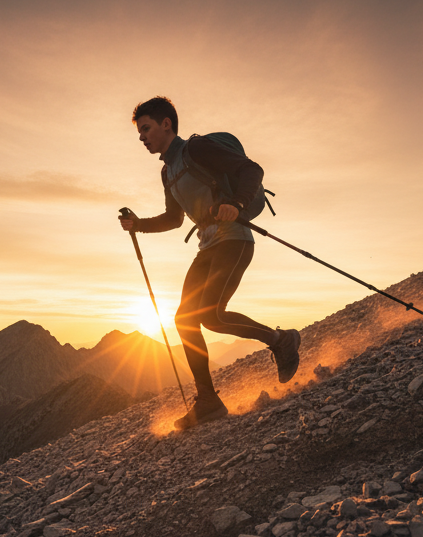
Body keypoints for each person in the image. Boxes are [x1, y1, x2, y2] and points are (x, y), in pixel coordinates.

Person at [120, 96, 301, 430]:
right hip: (208, 245)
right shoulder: (167, 172)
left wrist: (236, 202)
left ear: (166, 124)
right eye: (139, 133)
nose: (142, 137)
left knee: (212, 315)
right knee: (185, 319)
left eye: (146, 129)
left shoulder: (197, 149)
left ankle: (282, 341)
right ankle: (208, 402)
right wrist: (138, 224)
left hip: (234, 237)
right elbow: (174, 219)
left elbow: (252, 170)